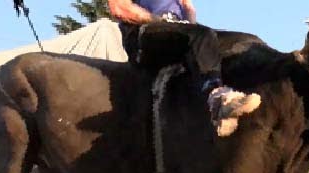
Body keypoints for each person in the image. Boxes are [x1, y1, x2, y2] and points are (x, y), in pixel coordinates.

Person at [110, 0, 262, 135]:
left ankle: (251, 101)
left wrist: (189, 26)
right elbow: (119, 7)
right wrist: (159, 21)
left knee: (238, 41)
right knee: (201, 36)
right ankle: (218, 101)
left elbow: (187, 5)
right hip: (142, 34)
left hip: (177, 30)